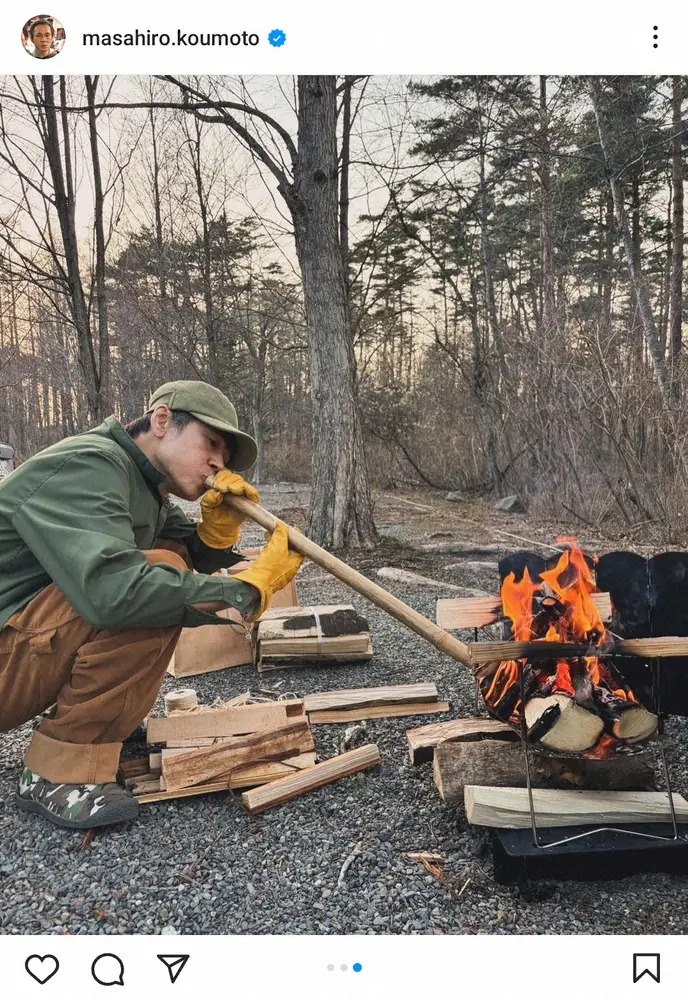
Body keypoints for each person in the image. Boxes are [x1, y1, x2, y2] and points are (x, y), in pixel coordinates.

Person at [0, 380, 303, 830]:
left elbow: (179, 556)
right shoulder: (89, 464)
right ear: (162, 420)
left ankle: (98, 731)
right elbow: (115, 592)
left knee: (168, 560)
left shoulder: (145, 485)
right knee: (154, 581)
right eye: (212, 443)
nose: (218, 463)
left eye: (225, 457)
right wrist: (245, 591)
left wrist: (215, 537)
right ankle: (57, 772)